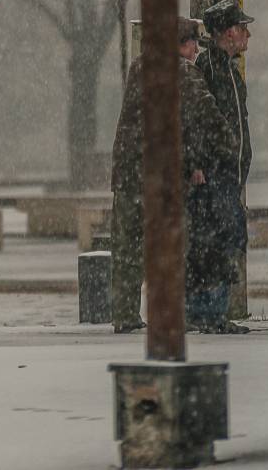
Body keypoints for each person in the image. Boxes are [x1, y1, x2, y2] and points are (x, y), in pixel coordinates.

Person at [109, 17, 236, 334]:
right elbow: (203, 113)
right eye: (194, 43)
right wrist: (227, 145)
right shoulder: (182, 71)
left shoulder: (140, 67)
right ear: (183, 43)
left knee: (128, 246)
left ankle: (124, 313)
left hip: (129, 173)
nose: (196, 50)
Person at [189, 0, 255, 333]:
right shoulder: (210, 69)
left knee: (225, 238)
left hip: (227, 173)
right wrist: (200, 161)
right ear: (228, 32)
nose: (247, 35)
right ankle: (208, 313)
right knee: (216, 241)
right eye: (242, 28)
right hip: (215, 173)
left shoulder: (227, 69)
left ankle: (212, 312)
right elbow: (199, 119)